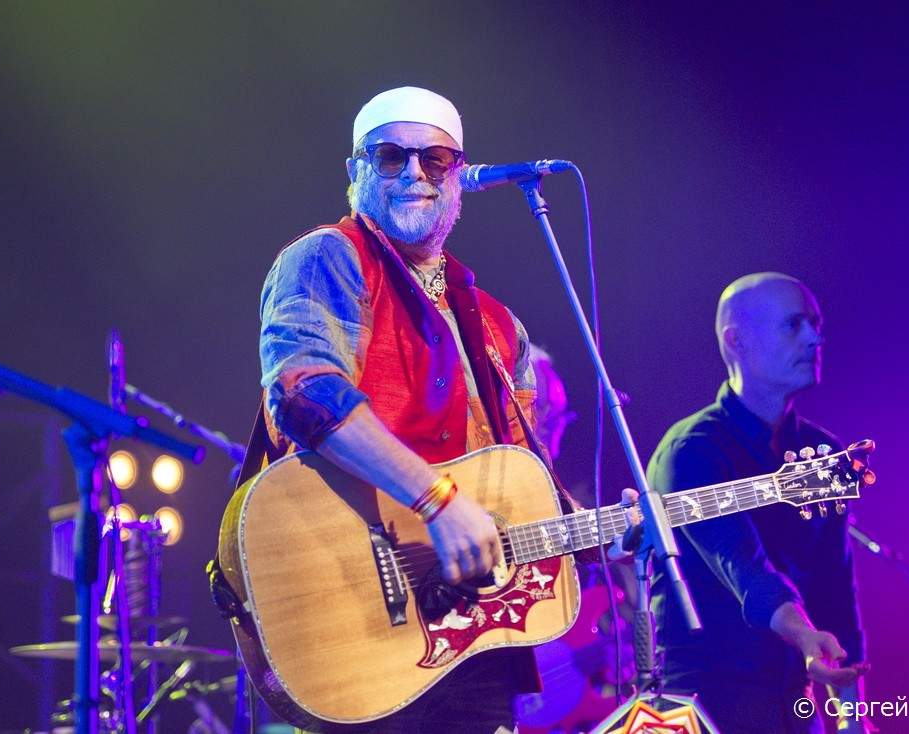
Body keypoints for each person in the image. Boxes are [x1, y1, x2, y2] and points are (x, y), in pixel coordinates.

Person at [251, 86, 627, 734]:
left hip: (475, 642)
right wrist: (437, 501)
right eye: (391, 156)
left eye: (435, 159)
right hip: (355, 619)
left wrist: (603, 534)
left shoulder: (499, 325)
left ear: (459, 175)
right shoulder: (328, 256)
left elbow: (518, 482)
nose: (414, 174)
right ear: (355, 171)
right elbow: (306, 394)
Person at [646, 272, 870, 734]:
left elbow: (835, 593)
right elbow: (742, 565)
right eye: (793, 324)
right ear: (736, 341)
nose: (814, 338)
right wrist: (804, 635)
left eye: (815, 324)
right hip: (702, 706)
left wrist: (852, 717)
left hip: (794, 701)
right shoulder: (692, 449)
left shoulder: (821, 452)